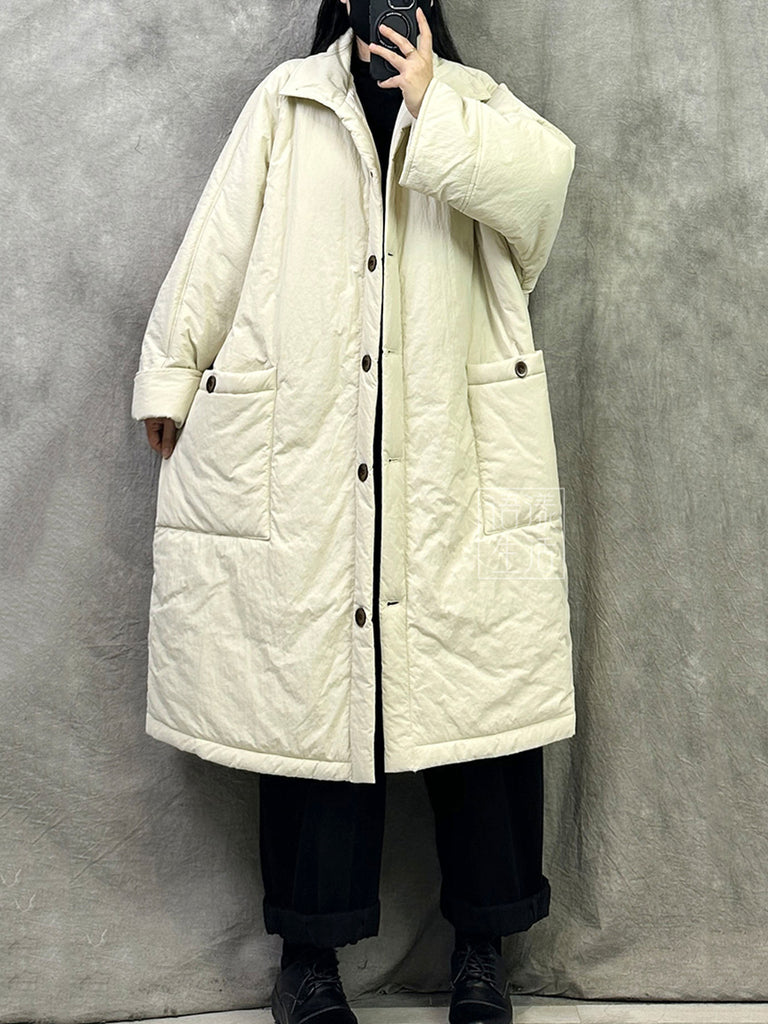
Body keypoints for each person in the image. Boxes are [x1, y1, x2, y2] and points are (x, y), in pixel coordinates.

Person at [132, 2, 577, 1023]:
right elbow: (218, 241)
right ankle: (309, 963)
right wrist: (173, 373)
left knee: (483, 692)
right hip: (314, 451)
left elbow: (542, 198)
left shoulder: (476, 105)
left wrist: (432, 102)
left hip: (454, 459)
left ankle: (484, 951)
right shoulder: (286, 104)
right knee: (315, 696)